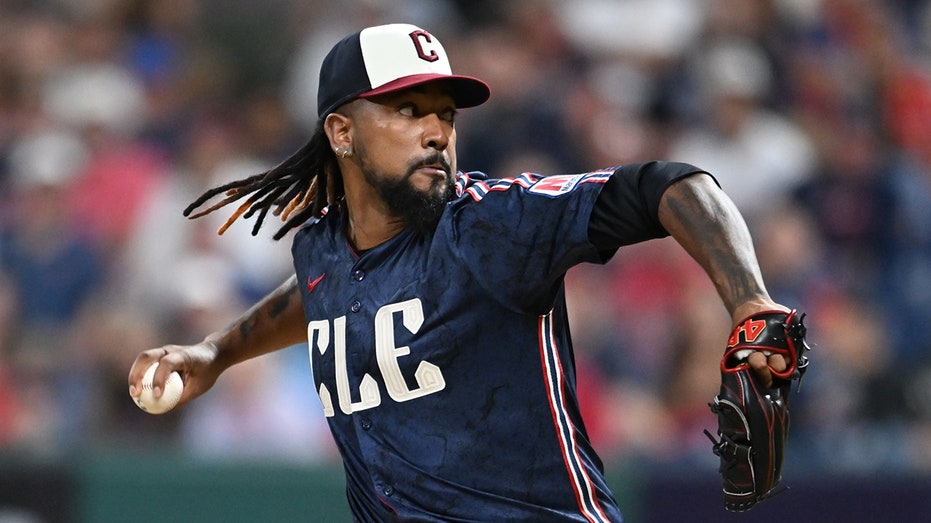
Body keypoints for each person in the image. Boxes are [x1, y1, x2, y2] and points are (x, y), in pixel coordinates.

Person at [129, 23, 793, 522]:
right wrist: (216, 351)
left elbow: (670, 185)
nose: (435, 131)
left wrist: (750, 300)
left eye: (444, 114)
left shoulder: (491, 226)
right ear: (341, 132)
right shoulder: (321, 248)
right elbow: (317, 295)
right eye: (406, 110)